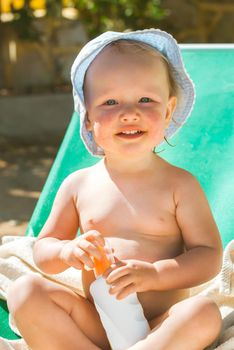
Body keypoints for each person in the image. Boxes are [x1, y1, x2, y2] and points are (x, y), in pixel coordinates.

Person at [8, 29, 223, 350]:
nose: (129, 112)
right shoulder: (78, 185)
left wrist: (156, 274)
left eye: (146, 99)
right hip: (97, 321)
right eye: (110, 101)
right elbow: (43, 250)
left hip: (161, 326)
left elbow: (209, 256)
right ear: (89, 118)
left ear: (168, 110)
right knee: (25, 292)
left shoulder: (180, 185)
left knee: (204, 312)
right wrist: (66, 251)